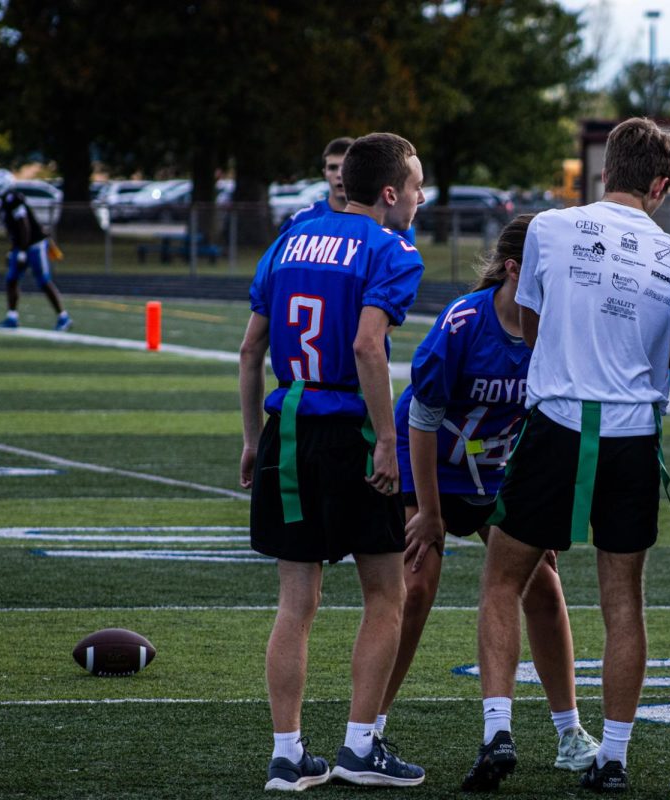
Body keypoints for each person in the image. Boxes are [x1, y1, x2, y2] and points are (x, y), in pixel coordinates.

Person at [461, 117, 670, 794]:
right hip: (631, 436)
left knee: (503, 581)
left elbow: (532, 327)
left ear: (604, 172)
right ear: (659, 185)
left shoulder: (547, 228)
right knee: (623, 601)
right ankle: (614, 756)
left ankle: (498, 732)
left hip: (557, 423)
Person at [239, 132, 428, 791]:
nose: (420, 196)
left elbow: (250, 349)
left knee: (297, 601)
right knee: (385, 591)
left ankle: (287, 755)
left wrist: (250, 438)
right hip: (347, 425)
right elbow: (368, 348)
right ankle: (358, 746)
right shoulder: (391, 249)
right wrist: (385, 439)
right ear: (387, 192)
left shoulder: (291, 237)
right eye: (415, 185)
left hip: (285, 422)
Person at [378, 214, 600, 772]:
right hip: (429, 461)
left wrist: (539, 513)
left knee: (543, 584)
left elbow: (549, 421)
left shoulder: (553, 330)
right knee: (417, 581)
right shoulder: (462, 324)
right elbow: (423, 420)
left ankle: (569, 733)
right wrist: (428, 512)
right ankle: (371, 725)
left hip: (498, 469)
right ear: (514, 270)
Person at [281, 137, 416, 245]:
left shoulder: (391, 220)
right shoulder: (302, 220)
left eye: (345, 167)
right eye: (333, 167)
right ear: (324, 173)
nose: (340, 174)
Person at [0, 169, 72, 332]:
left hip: (35, 245)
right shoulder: (5, 200)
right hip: (21, 246)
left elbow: (23, 225)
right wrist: (14, 250)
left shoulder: (14, 199)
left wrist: (23, 251)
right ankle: (12, 317)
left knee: (43, 281)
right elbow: (14, 231)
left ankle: (63, 316)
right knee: (11, 279)